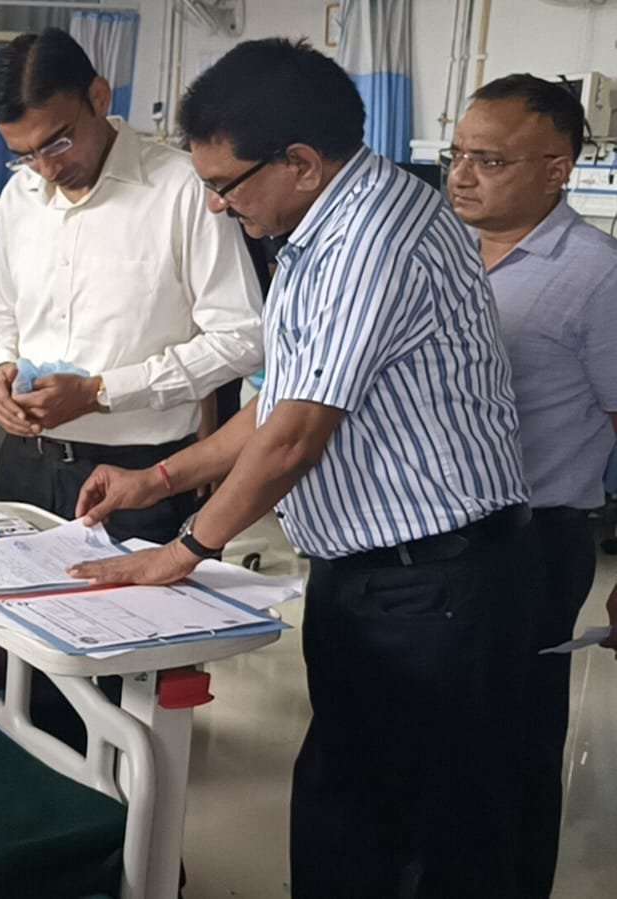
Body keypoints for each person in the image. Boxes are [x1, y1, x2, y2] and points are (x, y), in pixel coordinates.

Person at [68, 39, 538, 898]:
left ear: (301, 162)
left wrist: (183, 549)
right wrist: (158, 479)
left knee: (425, 835)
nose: (215, 206)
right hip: (373, 576)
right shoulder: (315, 234)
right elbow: (277, 400)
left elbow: (294, 436)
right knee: (345, 813)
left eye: (225, 184)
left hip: (435, 586)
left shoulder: (372, 238)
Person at [0, 29, 264, 724]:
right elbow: (5, 312)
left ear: (99, 97)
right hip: (27, 467)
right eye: (23, 154)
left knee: (123, 684)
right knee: (23, 667)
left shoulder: (182, 190)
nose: (46, 168)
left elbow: (244, 336)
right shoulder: (21, 197)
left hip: (139, 480)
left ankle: (127, 795)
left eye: (57, 142)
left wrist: (103, 392)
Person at [447, 74, 617, 898]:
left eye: (489, 160)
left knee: (506, 757)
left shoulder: (595, 276)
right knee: (438, 750)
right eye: (456, 155)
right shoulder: (440, 255)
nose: (461, 175)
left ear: (556, 168)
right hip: (436, 541)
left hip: (533, 542)